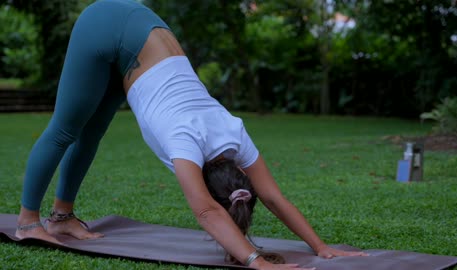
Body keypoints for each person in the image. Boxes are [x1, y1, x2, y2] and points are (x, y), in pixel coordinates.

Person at [15, 0, 368, 269]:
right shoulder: (185, 143)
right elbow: (206, 212)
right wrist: (254, 260)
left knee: (90, 134)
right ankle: (29, 223)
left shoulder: (236, 133)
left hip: (141, 36)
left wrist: (320, 247)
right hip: (107, 24)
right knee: (65, 129)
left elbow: (273, 198)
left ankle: (61, 219)